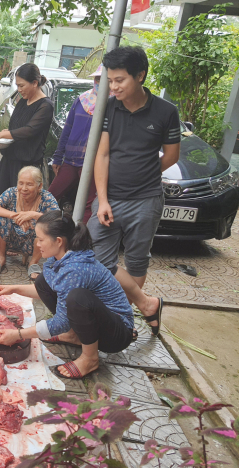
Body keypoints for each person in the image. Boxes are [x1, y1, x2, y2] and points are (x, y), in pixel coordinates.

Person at [89, 46, 180, 334]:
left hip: (146, 200)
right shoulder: (108, 107)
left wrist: (145, 174)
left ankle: (117, 312)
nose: (113, 87)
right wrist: (102, 200)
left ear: (140, 76)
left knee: (137, 259)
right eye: (110, 80)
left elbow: (171, 156)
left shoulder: (166, 112)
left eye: (120, 80)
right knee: (97, 257)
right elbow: (101, 156)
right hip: (109, 199)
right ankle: (147, 303)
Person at [0, 210, 137, 379]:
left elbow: (61, 322)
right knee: (43, 280)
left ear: (58, 241)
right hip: (100, 324)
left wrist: (18, 335)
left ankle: (90, 358)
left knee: (77, 298)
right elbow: (46, 289)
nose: (37, 244)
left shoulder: (75, 269)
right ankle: (73, 335)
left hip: (116, 334)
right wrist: (14, 288)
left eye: (41, 239)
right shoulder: (61, 257)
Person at [0, 63, 54, 246]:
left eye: (22, 86)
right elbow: (16, 127)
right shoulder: (23, 101)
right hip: (10, 157)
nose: (19, 90)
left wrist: (3, 134)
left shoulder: (45, 106)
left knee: (22, 202)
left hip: (27, 165)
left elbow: (29, 130)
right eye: (17, 86)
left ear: (35, 83)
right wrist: (7, 131)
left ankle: (17, 242)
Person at [48, 65, 104, 222]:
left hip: (93, 163)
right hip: (71, 160)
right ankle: (44, 231)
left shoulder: (112, 104)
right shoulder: (82, 100)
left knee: (88, 205)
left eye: (103, 79)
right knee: (50, 195)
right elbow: (67, 129)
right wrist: (58, 157)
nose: (99, 82)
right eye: (97, 78)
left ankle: (80, 240)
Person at [0, 166, 59, 279]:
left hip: (32, 243)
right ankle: (1, 258)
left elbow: (58, 219)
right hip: (11, 240)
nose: (24, 188)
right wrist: (16, 216)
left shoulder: (47, 197)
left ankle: (33, 263)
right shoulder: (12, 192)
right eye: (21, 183)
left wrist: (33, 215)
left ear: (40, 186)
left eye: (29, 184)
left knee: (43, 227)